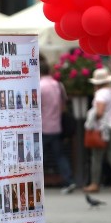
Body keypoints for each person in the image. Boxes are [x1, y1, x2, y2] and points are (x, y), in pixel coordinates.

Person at [84, 68, 111, 193]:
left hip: (102, 129)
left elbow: (99, 112)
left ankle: (94, 183)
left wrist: (92, 117)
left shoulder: (100, 94)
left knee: (96, 157)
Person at [39, 57, 77, 194]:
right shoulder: (58, 85)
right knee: (60, 156)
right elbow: (63, 106)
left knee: (38, 157)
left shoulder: (39, 86)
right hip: (56, 126)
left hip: (42, 127)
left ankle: (36, 183)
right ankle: (69, 180)